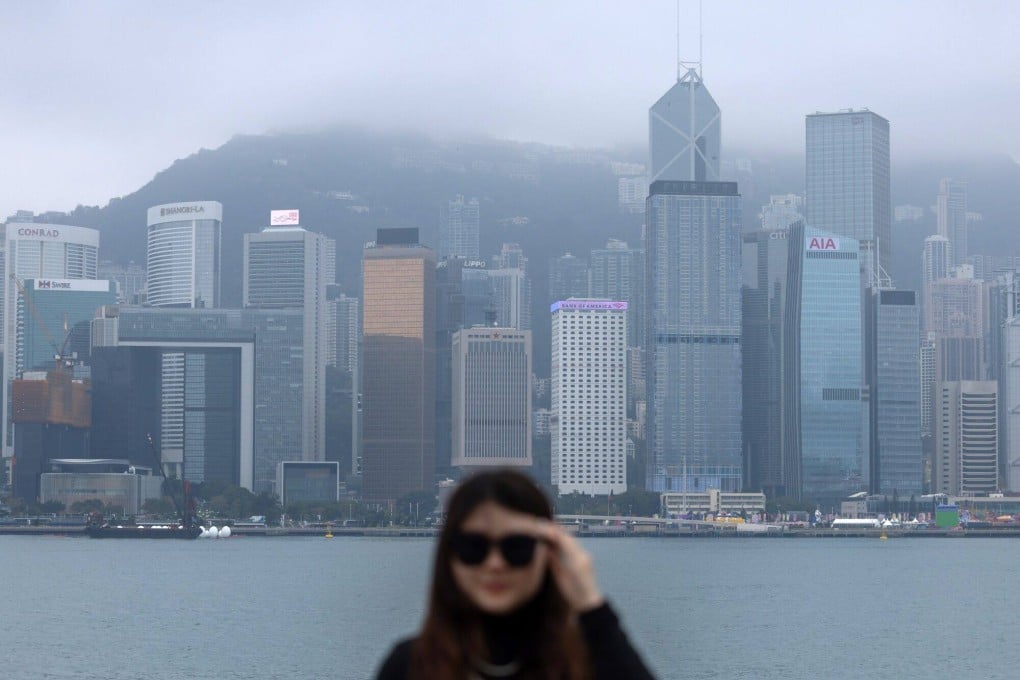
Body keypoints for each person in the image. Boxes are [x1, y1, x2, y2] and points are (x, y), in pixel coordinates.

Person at [375, 470, 655, 680]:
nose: (495, 564)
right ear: (450, 557)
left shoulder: (586, 662)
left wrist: (591, 604)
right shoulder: (411, 666)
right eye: (474, 547)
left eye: (516, 547)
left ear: (548, 552)